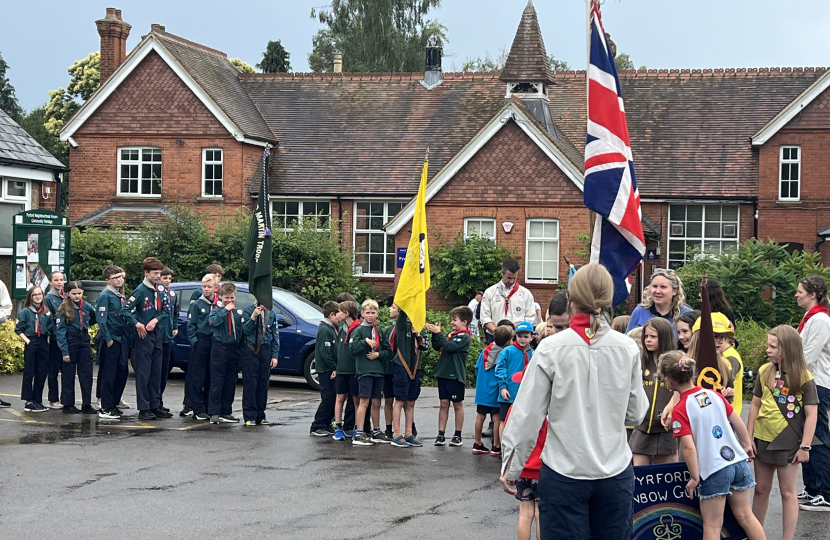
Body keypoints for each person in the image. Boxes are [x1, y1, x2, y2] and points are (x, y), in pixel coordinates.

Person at [500, 264, 649, 540]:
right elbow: (637, 412)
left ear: (571, 300)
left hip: (564, 472)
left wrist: (513, 465)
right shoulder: (627, 347)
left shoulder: (550, 348)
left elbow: (527, 415)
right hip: (614, 471)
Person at [661, 351, 766, 540]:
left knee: (712, 525)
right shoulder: (713, 394)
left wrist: (694, 477)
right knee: (746, 515)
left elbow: (688, 448)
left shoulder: (680, 409)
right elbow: (737, 421)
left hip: (713, 468)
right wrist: (746, 445)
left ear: (669, 381)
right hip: (737, 462)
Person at [748, 325, 820, 538]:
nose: (768, 350)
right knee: (760, 489)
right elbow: (754, 405)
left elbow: (812, 414)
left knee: (788, 492)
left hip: (789, 442)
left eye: (773, 346)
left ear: (787, 349)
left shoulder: (804, 376)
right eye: (767, 345)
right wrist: (748, 437)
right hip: (762, 439)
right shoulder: (763, 371)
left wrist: (805, 446)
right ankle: (756, 534)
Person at [795, 275, 830, 511]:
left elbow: (809, 356)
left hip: (817, 382)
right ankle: (812, 488)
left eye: (800, 291)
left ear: (813, 294)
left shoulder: (820, 320)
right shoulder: (810, 318)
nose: (796, 294)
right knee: (806, 437)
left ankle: (826, 492)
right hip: (808, 382)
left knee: (818, 437)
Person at [123, 257, 172, 421]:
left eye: (160, 273)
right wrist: (137, 324)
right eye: (155, 273)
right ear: (146, 273)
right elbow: (125, 310)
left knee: (156, 371)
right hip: (143, 335)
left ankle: (155, 404)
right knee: (144, 372)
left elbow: (166, 310)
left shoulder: (161, 290)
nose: (158, 276)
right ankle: (144, 407)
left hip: (156, 332)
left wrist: (156, 320)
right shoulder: (140, 291)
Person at [630, 318, 678, 466]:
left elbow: (681, 390)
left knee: (660, 473)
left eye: (653, 336)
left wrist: (672, 411)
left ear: (663, 337)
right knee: (639, 472)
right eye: (646, 336)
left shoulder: (674, 363)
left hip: (664, 428)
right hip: (642, 426)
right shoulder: (641, 361)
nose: (648, 340)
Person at [426, 306, 473, 447]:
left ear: (464, 322)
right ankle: (441, 434)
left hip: (455, 376)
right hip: (443, 374)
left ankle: (457, 434)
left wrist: (440, 333)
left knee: (457, 405)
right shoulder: (451, 335)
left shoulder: (464, 337)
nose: (452, 322)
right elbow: (438, 346)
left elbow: (450, 347)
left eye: (455, 320)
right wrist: (435, 334)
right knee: (443, 404)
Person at [348, 299, 392, 446]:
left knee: (377, 401)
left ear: (377, 314)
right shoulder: (358, 330)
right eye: (368, 312)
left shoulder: (379, 331)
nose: (370, 315)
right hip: (365, 370)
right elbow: (352, 349)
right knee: (364, 401)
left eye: (373, 312)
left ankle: (377, 431)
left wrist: (378, 355)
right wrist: (364, 342)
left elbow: (388, 351)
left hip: (378, 371)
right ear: (362, 313)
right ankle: (359, 433)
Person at [55, 281, 97, 414]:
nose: (77, 296)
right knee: (68, 374)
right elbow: (60, 332)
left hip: (83, 339)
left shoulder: (86, 306)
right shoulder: (63, 309)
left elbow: (95, 317)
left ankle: (87, 403)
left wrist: (86, 324)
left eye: (79, 293)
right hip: (70, 340)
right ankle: (68, 403)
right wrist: (64, 351)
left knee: (86, 373)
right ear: (68, 293)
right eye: (74, 294)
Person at [389, 307, 428, 448]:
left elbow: (425, 346)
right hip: (401, 367)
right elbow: (404, 310)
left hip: (415, 368)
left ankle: (408, 433)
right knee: (400, 400)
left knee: (411, 401)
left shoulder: (419, 328)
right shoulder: (401, 325)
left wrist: (418, 335)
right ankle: (396, 434)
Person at [96, 266, 131, 419]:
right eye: (116, 277)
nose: (120, 280)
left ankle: (114, 403)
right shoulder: (105, 296)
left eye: (121, 277)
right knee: (109, 374)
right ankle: (106, 407)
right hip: (112, 339)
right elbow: (101, 320)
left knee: (122, 372)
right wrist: (108, 338)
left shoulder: (120, 296)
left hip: (122, 337)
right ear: (108, 280)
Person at [473, 324, 513, 456]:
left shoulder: (485, 351)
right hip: (496, 390)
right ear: (508, 342)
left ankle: (477, 443)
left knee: (480, 416)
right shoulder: (506, 353)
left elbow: (477, 368)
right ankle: (496, 446)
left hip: (483, 390)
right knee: (496, 418)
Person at [207, 282, 244, 424]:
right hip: (220, 347)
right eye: (227, 298)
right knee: (217, 380)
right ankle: (214, 412)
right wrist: (225, 310)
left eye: (232, 298)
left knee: (231, 381)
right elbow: (213, 323)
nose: (230, 300)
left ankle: (226, 411)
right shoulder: (216, 310)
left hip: (233, 348)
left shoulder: (237, 312)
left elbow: (240, 331)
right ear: (221, 296)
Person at [184, 274, 217, 421]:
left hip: (214, 342)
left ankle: (208, 405)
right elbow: (191, 325)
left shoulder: (218, 304)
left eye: (209, 287)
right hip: (201, 340)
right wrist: (194, 341)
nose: (206, 289)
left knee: (211, 376)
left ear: (215, 288)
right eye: (204, 286)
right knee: (198, 376)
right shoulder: (197, 304)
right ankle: (197, 408)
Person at [496, 321, 534, 443]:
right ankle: (503, 446)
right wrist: (503, 387)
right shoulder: (508, 351)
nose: (522, 339)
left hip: (525, 394)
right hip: (509, 393)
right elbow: (500, 369)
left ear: (531, 337)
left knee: (521, 421)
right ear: (515, 336)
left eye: (526, 336)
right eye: (520, 336)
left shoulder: (533, 353)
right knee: (504, 420)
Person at [241, 301, 279, 426]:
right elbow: (245, 331)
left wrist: (274, 355)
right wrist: (253, 317)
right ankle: (249, 415)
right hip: (251, 348)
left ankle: (260, 414)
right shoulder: (247, 310)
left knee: (263, 382)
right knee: (250, 382)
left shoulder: (271, 313)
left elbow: (275, 334)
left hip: (265, 349)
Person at [16, 286, 53, 412]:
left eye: (40, 294)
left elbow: (50, 328)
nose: (38, 297)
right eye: (34, 295)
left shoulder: (46, 311)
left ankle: (38, 400)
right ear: (30, 297)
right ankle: (28, 401)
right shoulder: (25, 312)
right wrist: (28, 341)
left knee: (42, 372)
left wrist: (46, 341)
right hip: (31, 340)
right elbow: (18, 329)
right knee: (29, 372)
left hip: (43, 342)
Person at [480, 260, 535, 343]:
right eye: (509, 278)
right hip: (494, 336)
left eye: (514, 278)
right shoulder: (490, 292)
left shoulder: (526, 293)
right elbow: (484, 317)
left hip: (517, 337)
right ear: (502, 273)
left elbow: (530, 316)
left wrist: (517, 326)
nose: (511, 281)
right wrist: (499, 333)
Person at [626, 268, 692, 336]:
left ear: (675, 291)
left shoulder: (686, 313)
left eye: (663, 287)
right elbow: (627, 341)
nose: (657, 291)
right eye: (655, 286)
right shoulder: (640, 311)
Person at [310, 301, 342, 436]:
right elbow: (325, 352)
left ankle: (328, 422)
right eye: (338, 314)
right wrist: (332, 367)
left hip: (330, 368)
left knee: (333, 397)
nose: (340, 317)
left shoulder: (332, 328)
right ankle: (317, 425)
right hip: (325, 370)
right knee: (328, 397)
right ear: (331, 314)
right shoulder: (325, 329)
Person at [332, 300, 359, 441]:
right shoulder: (341, 327)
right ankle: (338, 426)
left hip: (354, 370)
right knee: (340, 397)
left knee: (356, 399)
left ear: (346, 313)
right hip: (341, 369)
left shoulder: (358, 328)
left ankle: (355, 426)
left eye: (340, 311)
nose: (338, 314)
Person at [43, 272, 65, 409]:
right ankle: (53, 399)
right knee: (53, 370)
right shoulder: (48, 298)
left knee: (66, 370)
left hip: (66, 339)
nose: (59, 282)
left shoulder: (66, 296)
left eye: (61, 280)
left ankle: (66, 398)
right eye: (56, 280)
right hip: (55, 339)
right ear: (50, 282)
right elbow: (49, 320)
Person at [158, 266, 178, 414]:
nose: (168, 281)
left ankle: (159, 401)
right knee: (156, 372)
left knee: (164, 371)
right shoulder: (156, 293)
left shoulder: (172, 294)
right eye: (165, 278)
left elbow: (175, 312)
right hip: (157, 334)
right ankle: (154, 402)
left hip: (167, 336)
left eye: (170, 278)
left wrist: (175, 326)